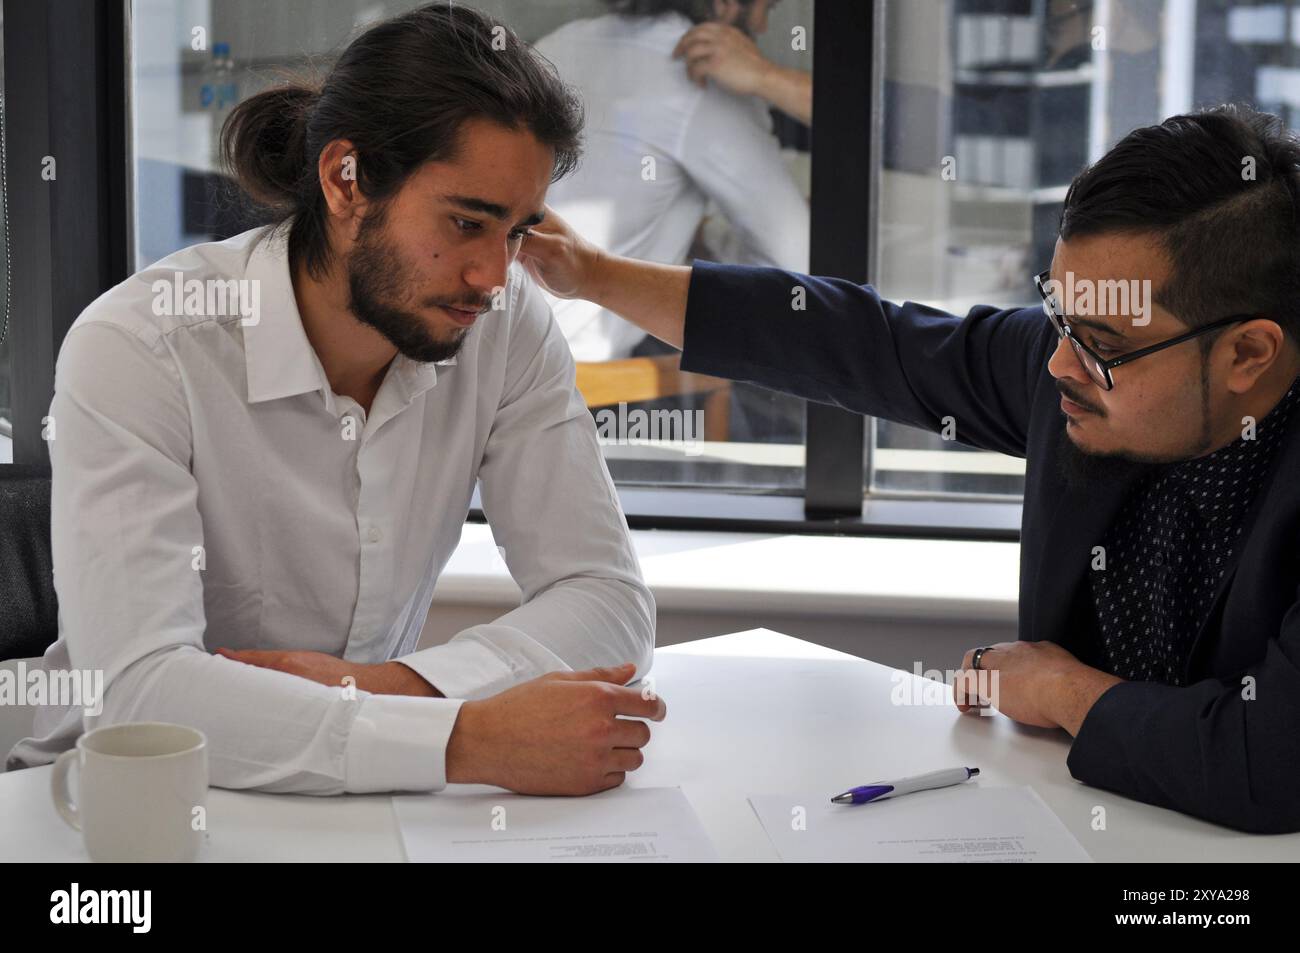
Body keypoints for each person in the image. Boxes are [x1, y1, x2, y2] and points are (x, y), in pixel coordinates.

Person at [519, 104, 1300, 833]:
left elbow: (1264, 765)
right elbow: (865, 343)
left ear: (1247, 353)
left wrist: (1064, 689)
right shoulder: (1072, 366)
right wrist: (593, 274)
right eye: (1055, 313)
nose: (1058, 361)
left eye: (1102, 343)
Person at [7, 2, 665, 798]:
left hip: (361, 804)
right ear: (344, 182)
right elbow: (138, 695)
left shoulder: (503, 325)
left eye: (518, 232)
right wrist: (462, 739)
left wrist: (395, 691)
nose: (494, 275)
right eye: (466, 222)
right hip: (123, 814)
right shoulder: (142, 347)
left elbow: (608, 598)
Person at [533, 0, 809, 362]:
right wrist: (716, 244)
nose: (760, 28)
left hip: (490, 336)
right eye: (765, 9)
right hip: (575, 369)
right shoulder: (704, 76)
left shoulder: (555, 45)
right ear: (725, 5)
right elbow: (793, 261)